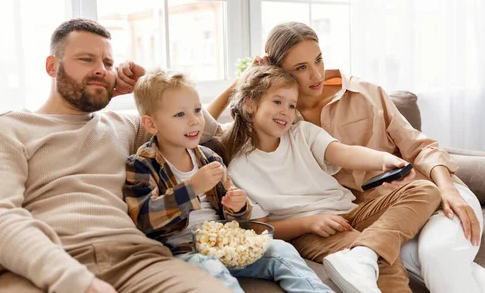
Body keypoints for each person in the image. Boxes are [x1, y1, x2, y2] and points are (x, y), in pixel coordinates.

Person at [211, 22, 485, 293]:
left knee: (427, 229)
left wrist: (389, 162)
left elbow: (350, 152)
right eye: (301, 68)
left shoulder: (314, 121)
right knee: (405, 259)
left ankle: (365, 254)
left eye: (318, 60)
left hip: (415, 196)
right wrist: (243, 81)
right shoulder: (274, 125)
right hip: (351, 216)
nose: (316, 74)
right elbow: (199, 131)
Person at [0, 18, 232, 293]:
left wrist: (150, 88)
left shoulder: (122, 126)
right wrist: (76, 281)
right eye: (86, 60)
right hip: (32, 270)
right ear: (52, 66)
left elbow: (205, 131)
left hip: (136, 261)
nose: (101, 70)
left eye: (108, 64)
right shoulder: (2, 129)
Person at [221, 64, 442, 293]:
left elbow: (344, 152)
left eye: (291, 105)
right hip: (309, 231)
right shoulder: (237, 166)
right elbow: (261, 228)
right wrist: (309, 222)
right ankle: (368, 253)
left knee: (425, 190)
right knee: (385, 260)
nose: (286, 111)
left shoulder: (302, 133)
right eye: (277, 102)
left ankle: (365, 251)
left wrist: (383, 160)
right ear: (249, 103)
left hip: (350, 210)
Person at [123, 67, 334, 293]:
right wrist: (192, 188)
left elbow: (235, 217)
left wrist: (239, 205)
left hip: (227, 244)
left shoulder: (209, 158)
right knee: (211, 267)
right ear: (151, 124)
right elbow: (144, 219)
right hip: (183, 252)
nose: (194, 121)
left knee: (280, 250)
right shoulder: (142, 164)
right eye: (180, 115)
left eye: (197, 110)